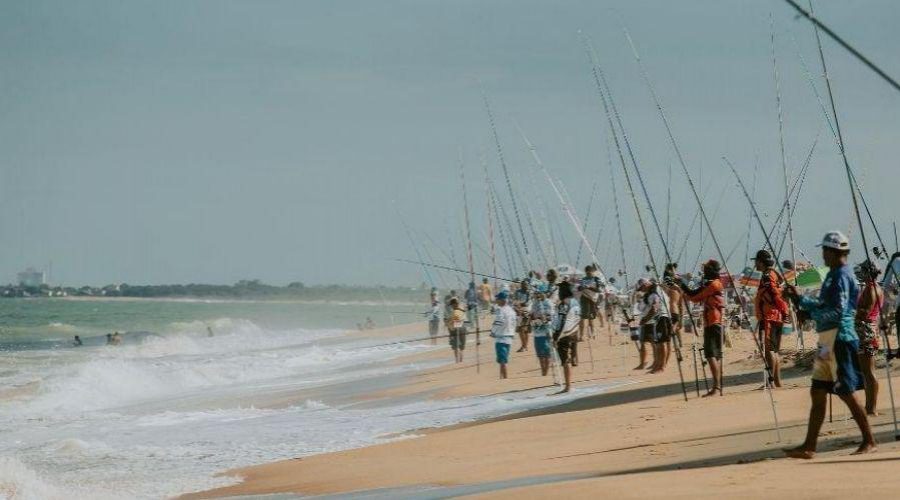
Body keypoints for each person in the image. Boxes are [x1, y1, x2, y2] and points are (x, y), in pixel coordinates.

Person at [783, 231, 876, 459]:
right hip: (827, 340)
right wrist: (802, 301)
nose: (823, 255)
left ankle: (869, 440)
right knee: (818, 390)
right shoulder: (834, 275)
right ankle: (809, 446)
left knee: (846, 391)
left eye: (825, 250)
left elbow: (838, 310)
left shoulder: (842, 277)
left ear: (834, 252)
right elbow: (826, 304)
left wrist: (809, 309)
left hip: (839, 339)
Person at [680, 260, 725, 397]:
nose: (703, 272)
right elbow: (695, 296)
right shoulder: (713, 284)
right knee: (715, 355)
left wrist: (682, 285)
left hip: (713, 322)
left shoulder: (713, 284)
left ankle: (716, 388)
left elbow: (695, 296)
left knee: (710, 354)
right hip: (714, 322)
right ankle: (717, 386)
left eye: (706, 269)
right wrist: (683, 289)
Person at [752, 249, 789, 388]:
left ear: (761, 262)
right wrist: (784, 312)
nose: (755, 264)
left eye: (756, 261)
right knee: (774, 351)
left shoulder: (767, 276)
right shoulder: (772, 274)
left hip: (770, 316)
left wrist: (784, 310)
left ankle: (771, 382)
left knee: (769, 351)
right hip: (775, 316)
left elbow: (774, 294)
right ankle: (777, 382)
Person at [854, 259, 883, 416]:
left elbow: (865, 312)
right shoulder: (871, 288)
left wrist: (849, 312)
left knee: (868, 371)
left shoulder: (871, 289)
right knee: (866, 372)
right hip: (866, 330)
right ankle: (868, 406)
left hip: (866, 331)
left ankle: (871, 408)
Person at [553, 281, 581, 393]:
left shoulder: (564, 303)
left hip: (565, 334)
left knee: (565, 361)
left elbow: (562, 320)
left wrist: (556, 337)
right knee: (568, 360)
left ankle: (568, 386)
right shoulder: (576, 302)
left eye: (560, 291)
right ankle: (569, 384)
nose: (559, 293)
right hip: (574, 332)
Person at [490, 290, 517, 379]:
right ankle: (502, 378)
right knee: (503, 360)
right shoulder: (512, 311)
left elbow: (498, 322)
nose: (496, 300)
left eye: (498, 299)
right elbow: (514, 324)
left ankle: (504, 379)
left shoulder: (501, 310)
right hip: (509, 338)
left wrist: (493, 332)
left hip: (501, 338)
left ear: (502, 300)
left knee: (502, 361)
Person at [530, 285, 555, 376]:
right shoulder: (535, 303)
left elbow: (550, 316)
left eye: (540, 293)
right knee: (540, 354)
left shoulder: (548, 303)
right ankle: (543, 372)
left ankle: (546, 372)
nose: (538, 295)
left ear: (544, 293)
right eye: (537, 293)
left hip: (546, 331)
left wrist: (542, 318)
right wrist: (533, 319)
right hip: (537, 331)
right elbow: (532, 315)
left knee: (546, 353)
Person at [577, 265, 603, 343]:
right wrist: (581, 287)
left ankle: (592, 334)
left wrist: (588, 287)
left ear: (592, 272)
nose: (588, 274)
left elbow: (598, 290)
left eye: (589, 272)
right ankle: (581, 336)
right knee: (582, 318)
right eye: (587, 272)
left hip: (593, 299)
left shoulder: (596, 279)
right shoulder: (582, 279)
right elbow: (578, 288)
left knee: (591, 318)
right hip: (584, 298)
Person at [513, 280, 532, 353]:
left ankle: (524, 346)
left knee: (525, 330)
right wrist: (517, 308)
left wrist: (519, 304)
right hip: (519, 312)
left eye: (526, 285)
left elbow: (527, 303)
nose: (525, 286)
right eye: (523, 284)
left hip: (526, 312)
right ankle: (524, 346)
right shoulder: (517, 292)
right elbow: (515, 301)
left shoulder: (529, 292)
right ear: (521, 285)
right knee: (521, 330)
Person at [447, 297, 467, 363]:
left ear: (454, 304)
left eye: (452, 305)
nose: (451, 306)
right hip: (463, 327)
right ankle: (461, 360)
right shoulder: (462, 309)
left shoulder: (455, 312)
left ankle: (457, 361)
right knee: (462, 347)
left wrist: (449, 326)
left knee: (456, 346)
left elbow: (454, 321)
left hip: (456, 328)